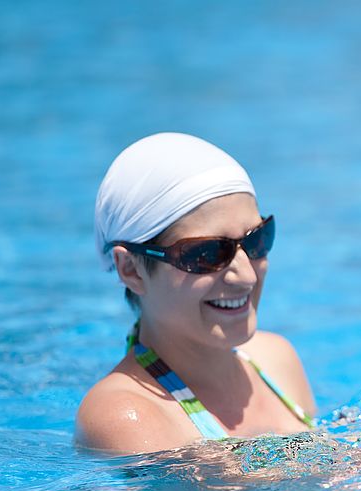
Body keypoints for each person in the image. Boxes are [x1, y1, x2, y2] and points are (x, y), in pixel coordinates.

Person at [76, 132, 316, 454]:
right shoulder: (123, 414)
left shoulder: (275, 359)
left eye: (256, 240)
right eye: (207, 253)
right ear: (131, 270)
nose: (246, 275)